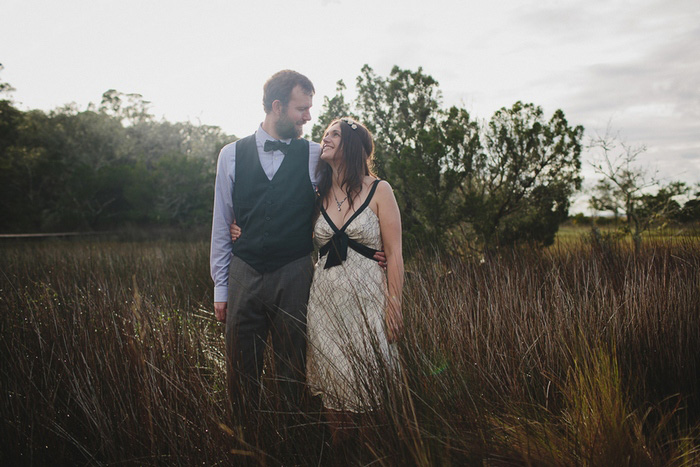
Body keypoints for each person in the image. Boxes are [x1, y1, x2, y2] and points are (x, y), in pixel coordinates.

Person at [210, 70, 319, 412]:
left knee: (293, 368)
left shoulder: (317, 155)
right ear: (277, 106)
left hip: (295, 272)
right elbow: (221, 224)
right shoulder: (230, 155)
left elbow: (349, 196)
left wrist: (371, 245)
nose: (308, 116)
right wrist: (221, 288)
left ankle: (291, 442)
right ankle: (245, 441)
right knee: (241, 370)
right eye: (302, 108)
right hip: (245, 272)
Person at [305, 117, 404, 444]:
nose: (326, 138)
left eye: (334, 134)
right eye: (325, 134)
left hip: (369, 306)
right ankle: (341, 455)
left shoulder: (380, 190)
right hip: (324, 309)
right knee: (335, 394)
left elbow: (395, 254)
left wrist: (394, 306)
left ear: (352, 145)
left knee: (370, 389)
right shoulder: (317, 194)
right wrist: (240, 230)